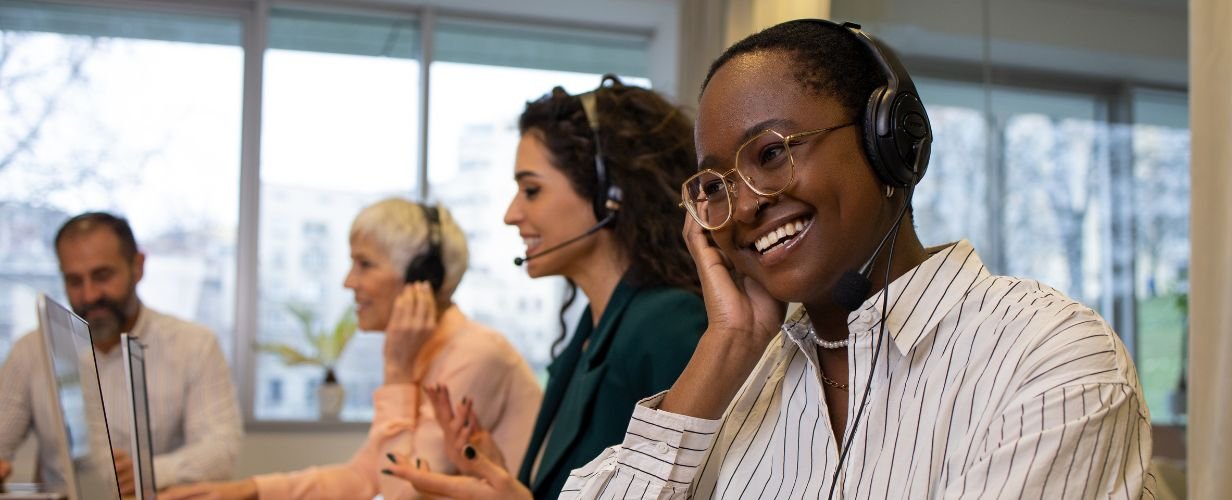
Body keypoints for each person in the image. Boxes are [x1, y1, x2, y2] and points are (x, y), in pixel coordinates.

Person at [387, 19, 1154, 499]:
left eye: (773, 153)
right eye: (716, 183)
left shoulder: (1049, 356)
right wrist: (724, 350)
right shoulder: (740, 383)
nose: (746, 201)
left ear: (893, 142)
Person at [386, 77, 708, 500]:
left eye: (531, 190)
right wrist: (499, 475)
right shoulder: (591, 332)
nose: (510, 214)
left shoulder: (667, 325)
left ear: (609, 193)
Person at [159, 199, 541, 500]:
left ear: (420, 278)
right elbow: (363, 476)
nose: (348, 281)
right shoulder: (425, 354)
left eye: (364, 264)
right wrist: (248, 490)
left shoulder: (475, 354)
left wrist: (396, 372)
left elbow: (402, 492)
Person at [0, 212, 242, 494]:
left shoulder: (194, 345)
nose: (89, 295)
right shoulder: (31, 352)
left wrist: (148, 472)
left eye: (102, 276)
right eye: (74, 281)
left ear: (137, 267)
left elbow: (221, 450)